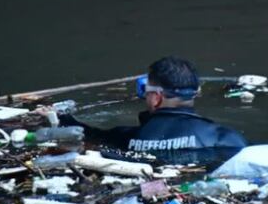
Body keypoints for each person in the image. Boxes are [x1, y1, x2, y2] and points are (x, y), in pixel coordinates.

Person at [57, 56, 248, 153]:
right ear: (196, 91)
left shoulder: (124, 137)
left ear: (156, 98)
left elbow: (86, 134)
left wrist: (59, 118)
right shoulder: (224, 138)